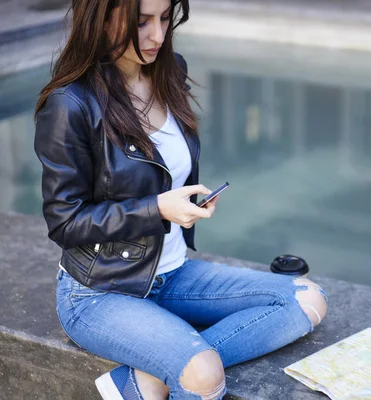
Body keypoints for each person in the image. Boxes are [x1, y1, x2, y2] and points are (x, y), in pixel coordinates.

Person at [33, 0, 328, 399]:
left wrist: (183, 205)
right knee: (203, 375)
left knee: (306, 299)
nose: (158, 35)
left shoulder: (171, 72)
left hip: (172, 272)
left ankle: (145, 379)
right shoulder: (71, 104)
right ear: (102, 22)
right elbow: (65, 222)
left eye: (165, 18)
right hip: (99, 291)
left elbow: (168, 169)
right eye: (141, 23)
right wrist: (157, 210)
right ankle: (182, 367)